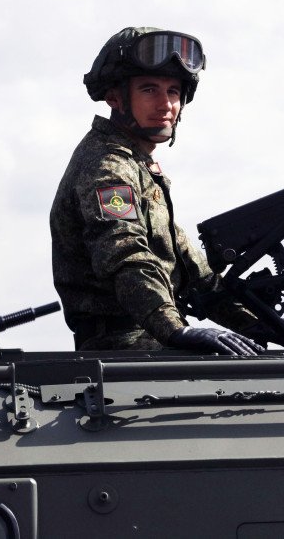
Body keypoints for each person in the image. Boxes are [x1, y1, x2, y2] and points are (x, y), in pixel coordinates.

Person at [51, 26, 264, 355]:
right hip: (121, 348)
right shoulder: (108, 168)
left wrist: (257, 324)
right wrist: (175, 330)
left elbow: (193, 270)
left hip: (149, 341)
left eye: (173, 91)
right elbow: (126, 256)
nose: (165, 104)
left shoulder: (136, 165)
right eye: (149, 89)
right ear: (115, 98)